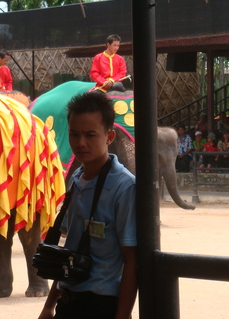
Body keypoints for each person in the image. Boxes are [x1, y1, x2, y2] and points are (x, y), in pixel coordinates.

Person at [38, 91, 137, 319]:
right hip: (68, 300)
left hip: (102, 306)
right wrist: (49, 305)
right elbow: (70, 250)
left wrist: (123, 316)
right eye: (74, 135)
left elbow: (132, 261)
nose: (80, 143)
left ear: (109, 136)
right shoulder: (76, 180)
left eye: (90, 135)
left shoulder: (125, 187)